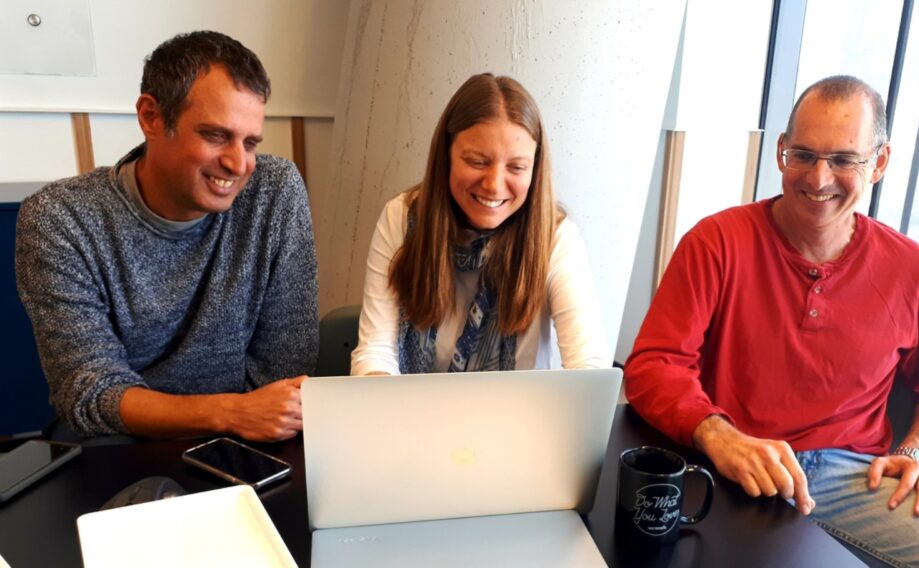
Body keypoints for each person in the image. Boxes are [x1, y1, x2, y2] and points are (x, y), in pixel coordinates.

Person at [624, 75, 919, 565]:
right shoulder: (715, 242)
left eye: (844, 160)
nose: (818, 178)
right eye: (803, 155)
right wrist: (718, 435)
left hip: (856, 478)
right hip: (734, 461)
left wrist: (914, 453)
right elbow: (653, 365)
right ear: (781, 151)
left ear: (879, 162)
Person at [15, 31, 318, 442]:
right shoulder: (61, 218)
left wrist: (242, 420)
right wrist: (229, 412)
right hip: (118, 443)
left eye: (250, 142)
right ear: (152, 117)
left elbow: (286, 365)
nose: (237, 163)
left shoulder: (274, 190)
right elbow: (89, 391)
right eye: (214, 135)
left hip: (246, 440)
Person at [351, 73, 607, 375]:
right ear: (446, 157)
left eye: (517, 167)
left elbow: (588, 367)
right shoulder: (402, 218)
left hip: (519, 418)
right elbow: (376, 351)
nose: (495, 185)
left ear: (535, 170)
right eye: (477, 162)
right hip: (414, 416)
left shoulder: (556, 238)